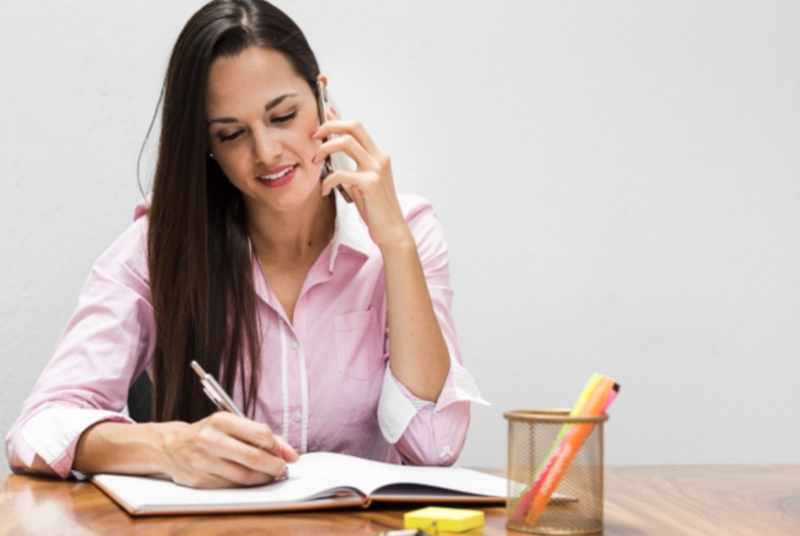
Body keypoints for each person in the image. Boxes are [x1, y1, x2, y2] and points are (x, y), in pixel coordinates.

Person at [5, 0, 486, 489]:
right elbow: (39, 428)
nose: (266, 152)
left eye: (283, 115)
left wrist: (396, 245)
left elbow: (434, 447)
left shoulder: (407, 233)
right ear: (207, 146)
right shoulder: (161, 245)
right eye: (232, 134)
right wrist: (171, 448)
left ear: (323, 96)